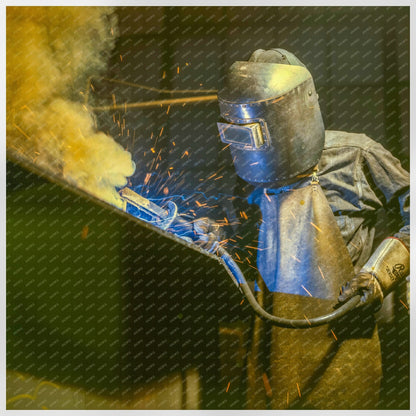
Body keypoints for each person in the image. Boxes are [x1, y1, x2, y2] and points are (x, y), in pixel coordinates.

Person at [216, 48, 410, 409]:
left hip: (343, 337)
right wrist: (216, 232)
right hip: (273, 334)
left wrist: (382, 272)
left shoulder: (356, 155)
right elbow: (242, 231)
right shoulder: (252, 172)